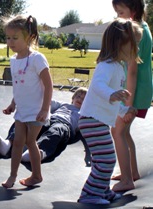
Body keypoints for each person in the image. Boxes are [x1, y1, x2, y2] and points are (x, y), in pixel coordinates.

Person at [77, 18, 142, 205]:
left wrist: (124, 109)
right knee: (106, 160)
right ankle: (89, 194)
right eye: (134, 43)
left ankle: (103, 191)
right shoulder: (106, 65)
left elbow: (112, 100)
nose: (136, 48)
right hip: (91, 120)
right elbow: (97, 86)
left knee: (103, 159)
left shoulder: (118, 67)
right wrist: (112, 94)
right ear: (120, 43)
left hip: (97, 120)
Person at [1, 15, 53, 188]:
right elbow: (19, 86)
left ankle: (36, 175)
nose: (10, 42)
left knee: (30, 142)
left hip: (37, 110)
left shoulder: (37, 59)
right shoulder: (14, 60)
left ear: (29, 37)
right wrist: (13, 104)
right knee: (17, 143)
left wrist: (45, 109)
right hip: (22, 110)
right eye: (8, 37)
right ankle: (12, 176)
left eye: (15, 38)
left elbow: (48, 85)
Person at [111, 0, 153, 192]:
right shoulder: (142, 28)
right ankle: (132, 172)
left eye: (121, 12)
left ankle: (127, 179)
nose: (118, 16)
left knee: (118, 131)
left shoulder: (137, 33)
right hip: (137, 91)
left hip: (134, 92)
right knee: (123, 131)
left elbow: (133, 71)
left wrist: (128, 103)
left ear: (133, 10)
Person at [0, 87, 90, 166]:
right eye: (78, 96)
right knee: (26, 120)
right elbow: (47, 102)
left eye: (84, 99)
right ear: (73, 98)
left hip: (64, 125)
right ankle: (8, 144)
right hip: (50, 119)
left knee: (55, 132)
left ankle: (37, 153)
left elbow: (87, 127)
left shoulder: (84, 114)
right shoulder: (63, 105)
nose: (80, 99)